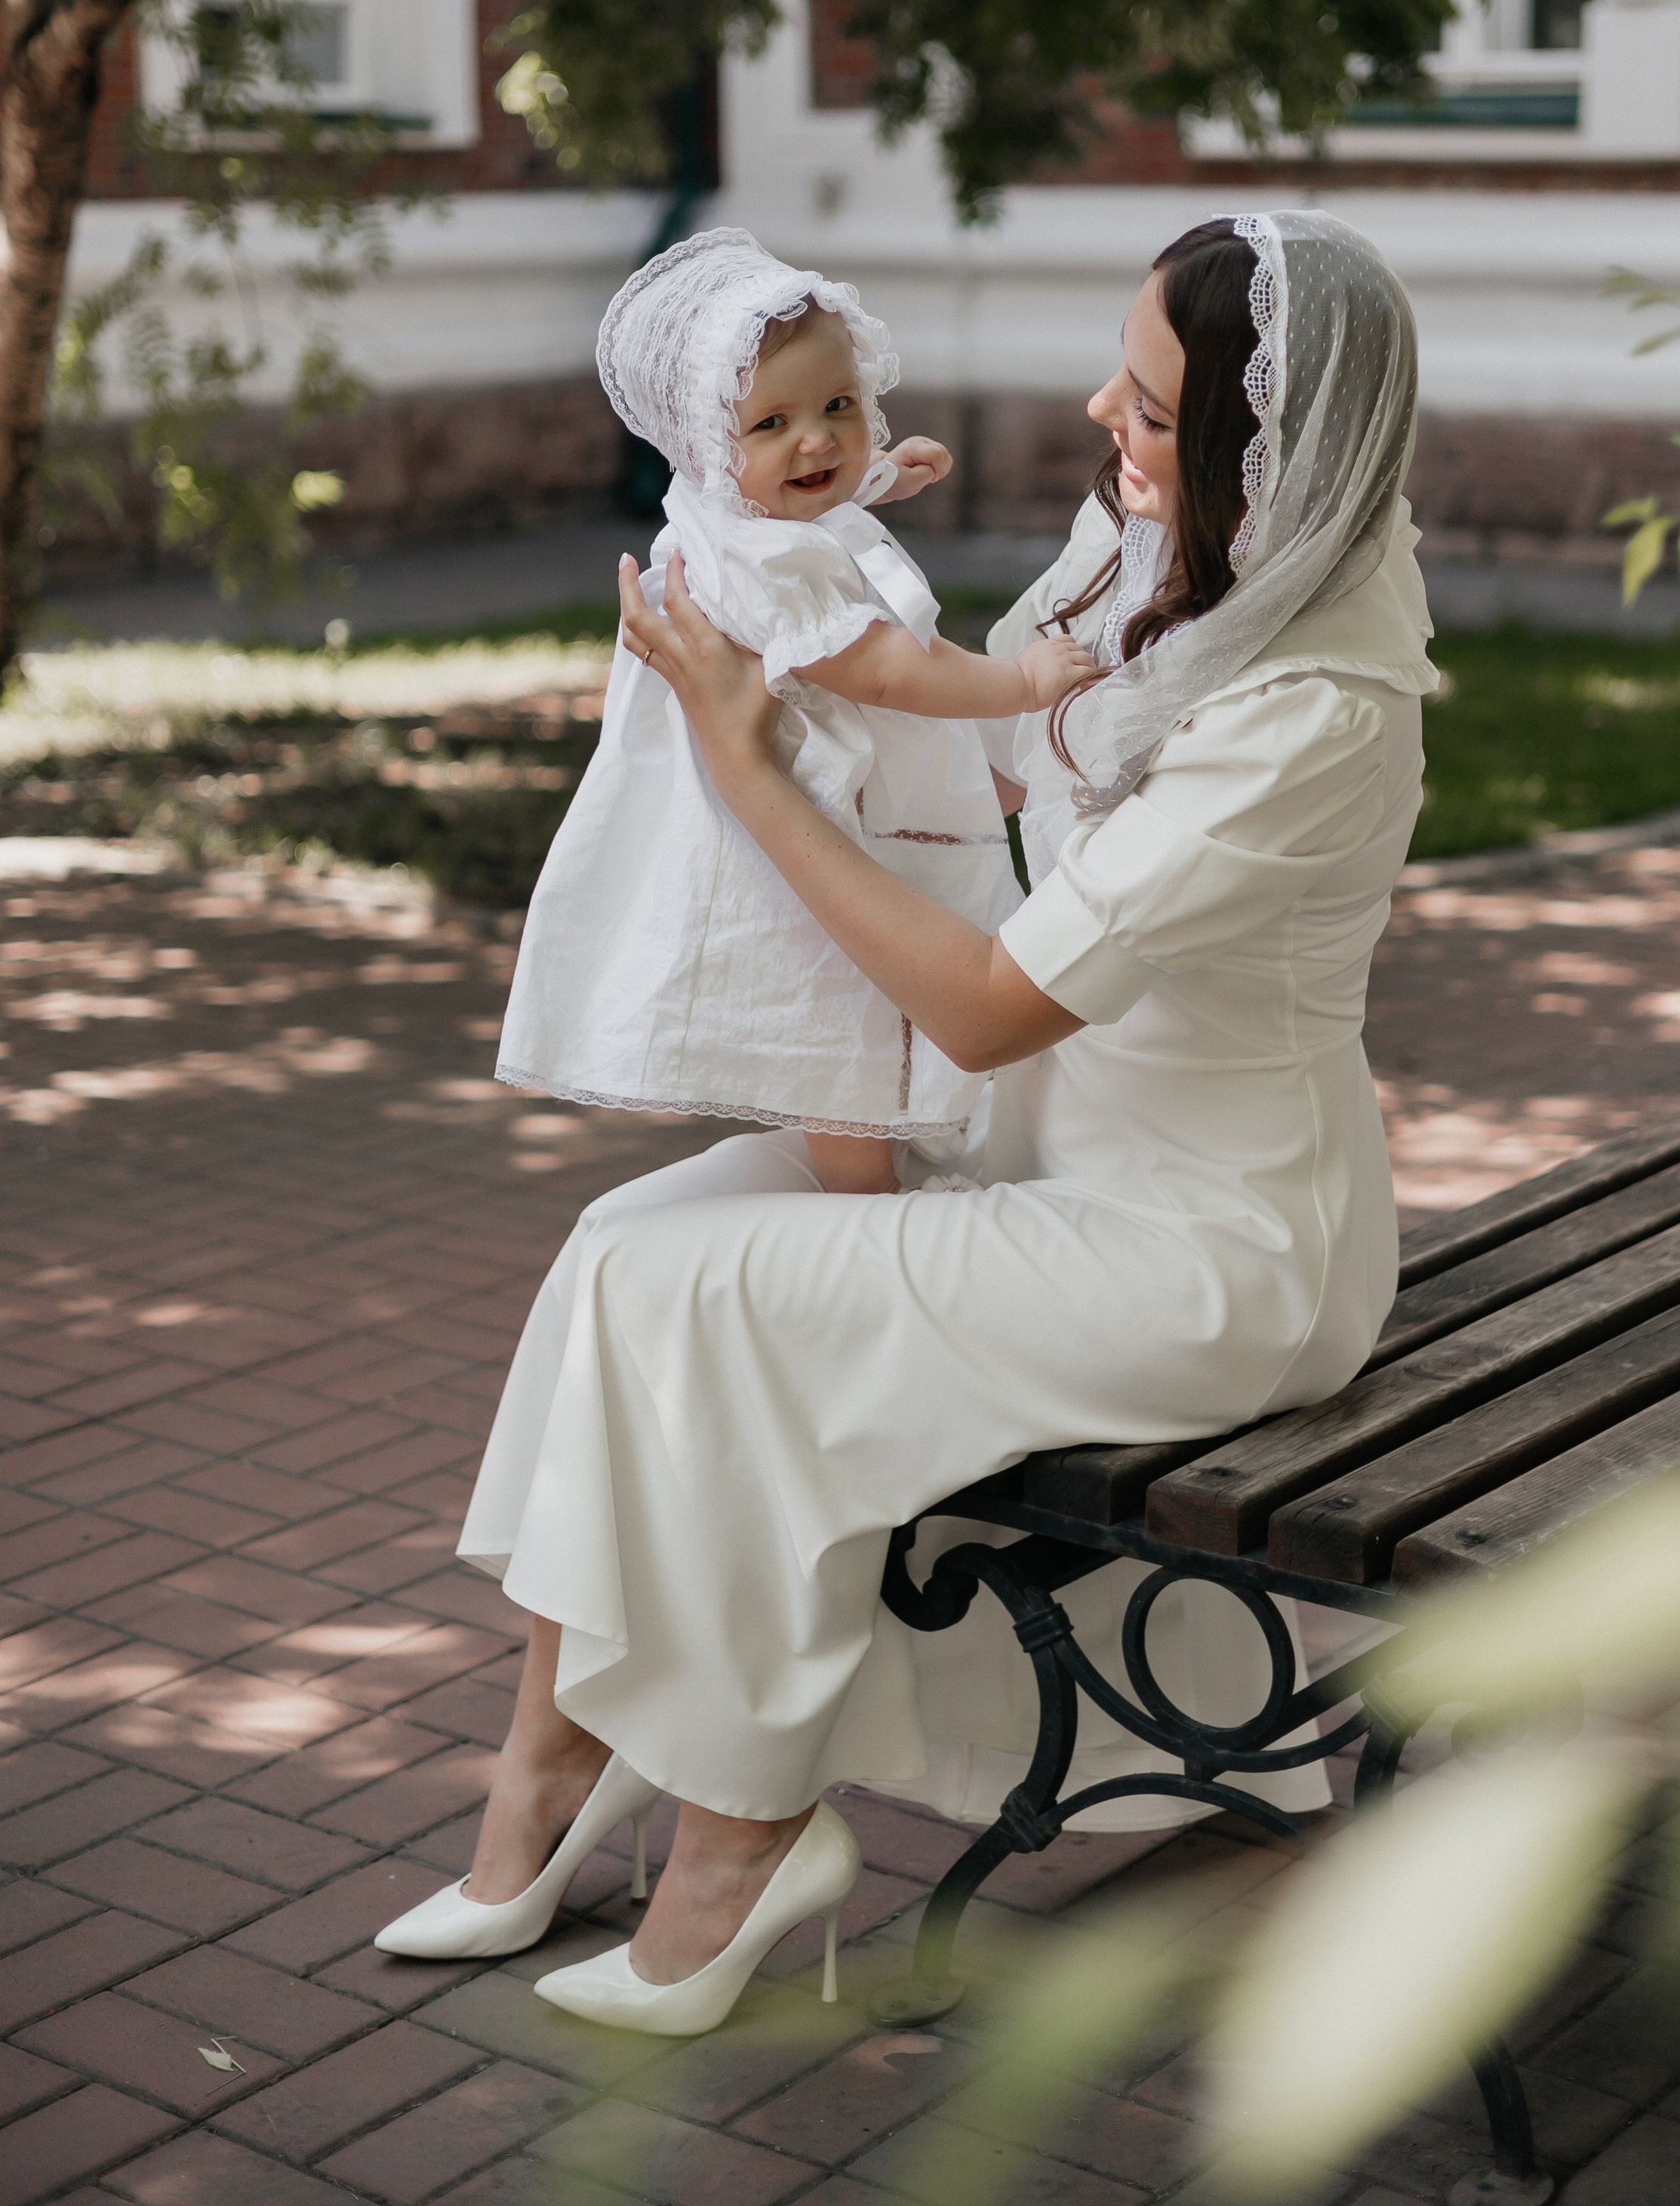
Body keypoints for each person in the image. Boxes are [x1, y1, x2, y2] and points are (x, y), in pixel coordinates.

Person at [374, 207, 1436, 2043]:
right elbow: (973, 718)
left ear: (1268, 455)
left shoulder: (1312, 709)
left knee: (717, 1300)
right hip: (1042, 1149)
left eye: (1152, 407)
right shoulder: (1165, 556)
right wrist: (796, 569)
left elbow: (986, 1004)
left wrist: (748, 769)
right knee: (623, 1246)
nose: (1102, 413)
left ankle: (745, 1835)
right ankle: (549, 1772)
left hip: (1206, 1246)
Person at [496, 225, 1093, 1195]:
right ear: (705, 443)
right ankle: (863, 1198)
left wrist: (884, 472)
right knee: (840, 1017)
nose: (817, 440)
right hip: (816, 788)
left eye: (840, 406)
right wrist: (1020, 683)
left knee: (932, 872)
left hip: (819, 758)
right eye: (772, 423)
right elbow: (886, 671)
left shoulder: (733, 505)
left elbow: (809, 490)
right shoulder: (765, 562)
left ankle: (914, 1132)